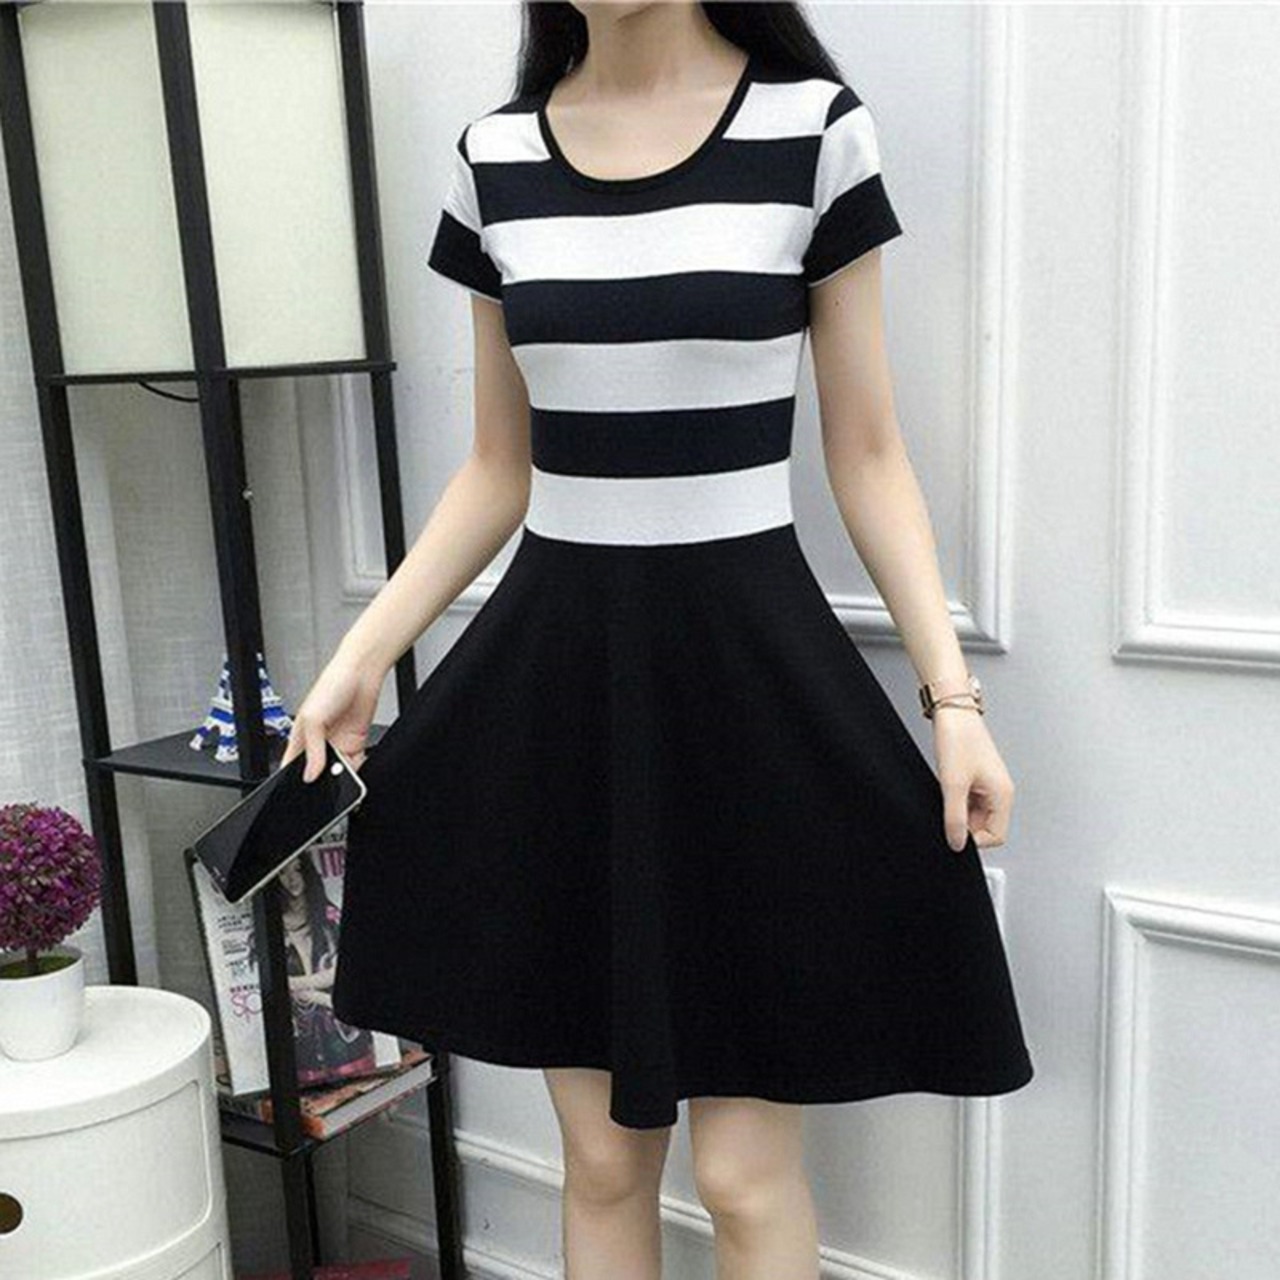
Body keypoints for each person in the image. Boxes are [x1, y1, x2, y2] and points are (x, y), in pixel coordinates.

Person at [281, 3, 1035, 1275]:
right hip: (559, 692)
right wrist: (356, 658)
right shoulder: (494, 157)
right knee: (603, 1160)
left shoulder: (811, 131)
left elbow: (865, 451)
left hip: (749, 689)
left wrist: (951, 702)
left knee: (743, 1176)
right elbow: (497, 467)